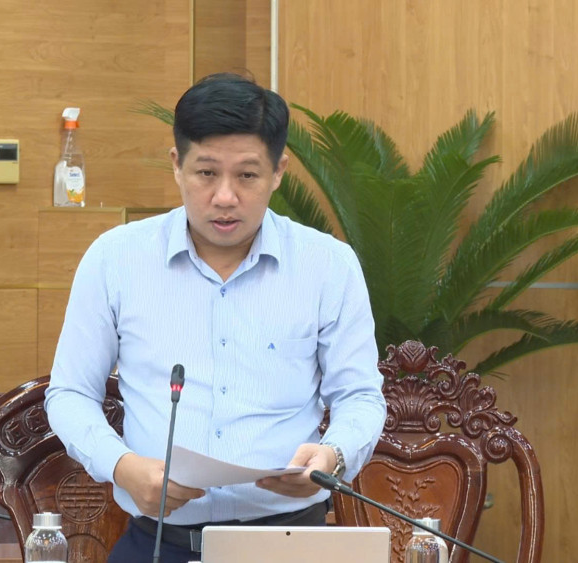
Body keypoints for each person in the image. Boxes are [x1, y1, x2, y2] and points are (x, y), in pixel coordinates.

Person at [44, 73, 387, 563]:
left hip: (291, 544)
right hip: (159, 543)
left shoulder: (328, 265)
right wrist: (121, 466)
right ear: (177, 165)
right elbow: (71, 393)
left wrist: (333, 457)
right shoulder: (115, 259)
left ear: (278, 171)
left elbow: (359, 396)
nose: (225, 197)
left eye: (247, 176)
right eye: (206, 173)